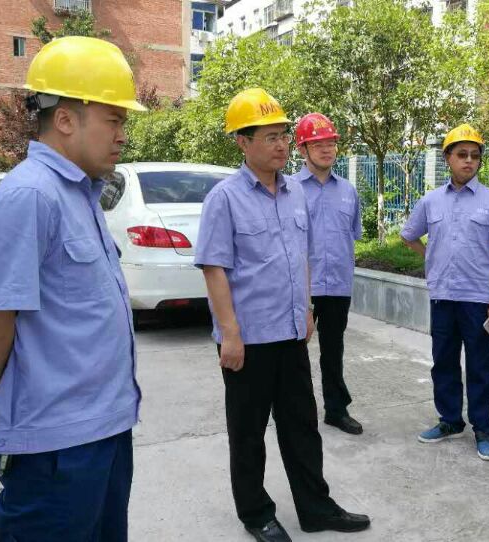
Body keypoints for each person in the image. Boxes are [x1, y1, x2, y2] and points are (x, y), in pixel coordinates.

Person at [0, 36, 144, 540]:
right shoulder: (28, 198)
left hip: (103, 431)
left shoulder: (79, 194)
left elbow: (58, 319)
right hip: (55, 451)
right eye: (113, 120)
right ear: (65, 119)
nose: (122, 136)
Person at [195, 88, 370, 542]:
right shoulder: (225, 198)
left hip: (290, 333)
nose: (282, 144)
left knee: (302, 427)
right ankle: (256, 513)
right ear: (243, 142)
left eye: (284, 135)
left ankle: (316, 508)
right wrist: (230, 334)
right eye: (270, 136)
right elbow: (214, 269)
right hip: (248, 339)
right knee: (248, 433)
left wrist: (307, 308)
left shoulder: (295, 195)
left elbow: (302, 257)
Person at [401, 123, 489, 461]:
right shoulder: (431, 201)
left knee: (480, 367)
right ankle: (450, 420)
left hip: (479, 300)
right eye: (462, 154)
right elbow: (408, 235)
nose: (469, 161)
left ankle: (483, 429)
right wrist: (431, 255)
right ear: (448, 159)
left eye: (475, 156)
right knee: (444, 363)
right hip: (443, 297)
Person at [292, 112, 364, 435]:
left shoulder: (348, 191)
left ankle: (336, 410)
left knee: (333, 352)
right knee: (294, 353)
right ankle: (296, 413)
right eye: (317, 144)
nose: (326, 149)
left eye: (331, 143)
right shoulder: (289, 189)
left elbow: (353, 234)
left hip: (337, 285)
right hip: (298, 287)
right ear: (302, 149)